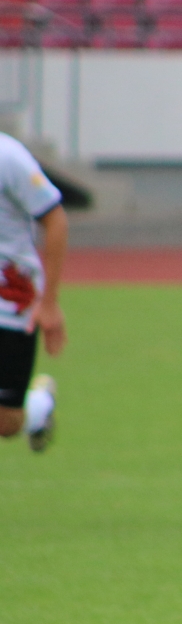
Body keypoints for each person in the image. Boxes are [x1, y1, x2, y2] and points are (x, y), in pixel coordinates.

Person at [0, 131, 66, 453]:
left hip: (11, 301)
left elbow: (55, 220)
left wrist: (49, 304)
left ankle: (38, 406)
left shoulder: (8, 157)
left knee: (6, 422)